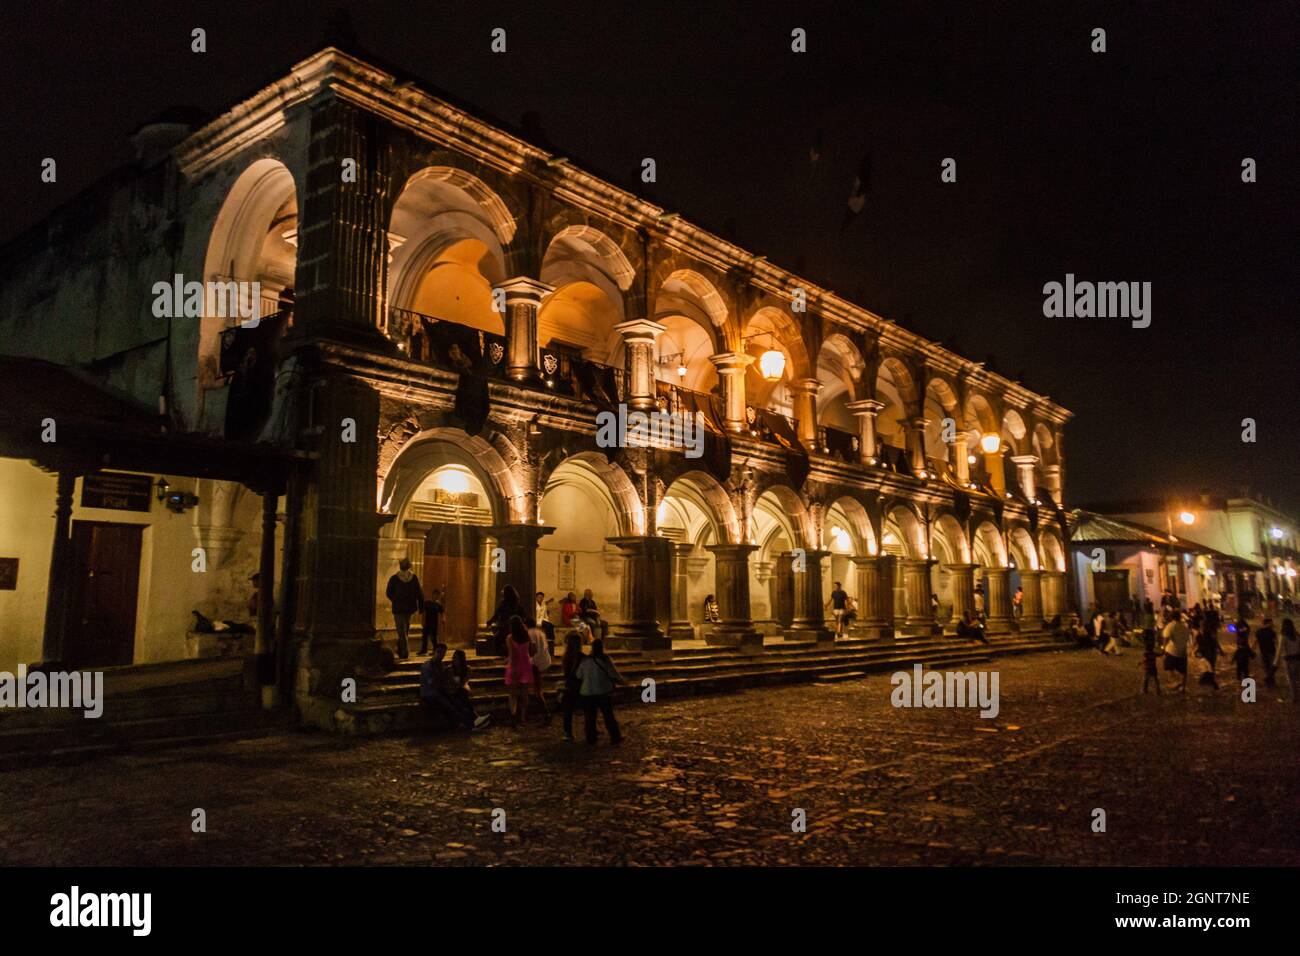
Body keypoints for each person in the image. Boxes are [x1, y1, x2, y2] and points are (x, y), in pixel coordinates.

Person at [420, 644, 488, 730]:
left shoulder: (441, 665)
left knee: (458, 699)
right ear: (434, 652)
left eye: (443, 653)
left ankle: (475, 720)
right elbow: (432, 683)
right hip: (429, 694)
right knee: (451, 704)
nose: (441, 655)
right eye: (439, 652)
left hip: (440, 691)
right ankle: (471, 724)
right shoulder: (427, 666)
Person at [575, 638, 625, 745]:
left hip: (587, 692)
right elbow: (614, 674)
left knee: (590, 717)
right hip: (603, 691)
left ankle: (591, 739)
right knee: (608, 716)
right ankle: (615, 737)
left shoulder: (586, 660)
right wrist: (623, 682)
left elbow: (578, 675)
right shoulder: (606, 659)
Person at [385, 558, 424, 660]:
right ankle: (403, 650)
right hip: (409, 608)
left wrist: (395, 600)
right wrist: (420, 607)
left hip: (398, 608)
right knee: (404, 629)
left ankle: (403, 651)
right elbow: (419, 593)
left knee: (401, 630)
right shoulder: (413, 578)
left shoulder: (394, 578)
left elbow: (388, 592)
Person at [503, 616, 534, 727]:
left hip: (515, 666)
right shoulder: (527, 636)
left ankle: (513, 714)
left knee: (513, 694)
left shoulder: (510, 638)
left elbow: (513, 655)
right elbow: (530, 651)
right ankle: (523, 716)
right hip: (526, 664)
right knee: (524, 693)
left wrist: (512, 667)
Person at [487, 585, 526, 657]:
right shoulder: (517, 603)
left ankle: (504, 654)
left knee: (496, 640)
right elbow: (523, 615)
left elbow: (497, 614)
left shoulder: (504, 604)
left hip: (505, 627)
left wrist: (489, 622)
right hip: (516, 628)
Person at [559, 632, 585, 741]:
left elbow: (566, 672)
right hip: (580, 685)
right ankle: (590, 730)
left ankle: (568, 732)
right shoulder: (582, 657)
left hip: (570, 685)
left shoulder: (566, 657)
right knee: (588, 710)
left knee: (568, 711)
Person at [527, 617, 553, 725]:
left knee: (537, 690)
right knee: (537, 687)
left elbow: (533, 649)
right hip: (544, 661)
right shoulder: (541, 633)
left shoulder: (529, 633)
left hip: (535, 662)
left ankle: (546, 713)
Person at [1162, 611, 1190, 693]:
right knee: (1183, 671)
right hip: (1183, 651)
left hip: (1172, 651)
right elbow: (1187, 637)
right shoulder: (1184, 626)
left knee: (1167, 667)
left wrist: (1163, 649)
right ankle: (1183, 687)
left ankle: (1175, 681)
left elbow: (1166, 639)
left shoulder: (1170, 626)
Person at [1256, 617, 1279, 688]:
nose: (1273, 624)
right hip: (1271, 651)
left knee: (1266, 667)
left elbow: (1255, 641)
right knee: (1273, 666)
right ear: (1268, 623)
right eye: (1271, 622)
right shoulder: (1272, 631)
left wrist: (1252, 651)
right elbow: (1276, 642)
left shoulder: (1259, 631)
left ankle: (1269, 683)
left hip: (1263, 651)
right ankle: (1270, 680)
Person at [1281, 618, 1300, 704]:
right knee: (1297, 678)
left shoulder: (1283, 636)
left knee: (1291, 680)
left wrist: (1274, 664)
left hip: (1288, 660)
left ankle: (1294, 698)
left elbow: (1279, 651)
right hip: (1297, 658)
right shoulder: (1297, 635)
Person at [420, 588, 444, 656]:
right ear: (433, 595)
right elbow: (422, 609)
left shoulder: (438, 604)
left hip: (434, 623)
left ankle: (435, 650)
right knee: (424, 636)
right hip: (427, 622)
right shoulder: (427, 603)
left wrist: (443, 618)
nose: (436, 596)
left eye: (437, 595)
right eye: (435, 595)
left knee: (434, 638)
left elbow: (442, 612)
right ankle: (423, 650)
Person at [1231, 619, 1254, 684]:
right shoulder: (1242, 633)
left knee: (1242, 665)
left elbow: (1247, 629)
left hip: (1243, 650)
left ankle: (1242, 677)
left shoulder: (1243, 633)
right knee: (1242, 665)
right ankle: (1242, 677)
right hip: (1242, 651)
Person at [1140, 630, 1162, 695]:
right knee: (1156, 679)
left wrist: (1140, 663)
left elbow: (1144, 660)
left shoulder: (1146, 654)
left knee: (1145, 679)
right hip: (1154, 668)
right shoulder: (1154, 653)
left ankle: (1144, 690)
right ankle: (1158, 690)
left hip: (1147, 668)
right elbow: (1159, 654)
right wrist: (1163, 653)